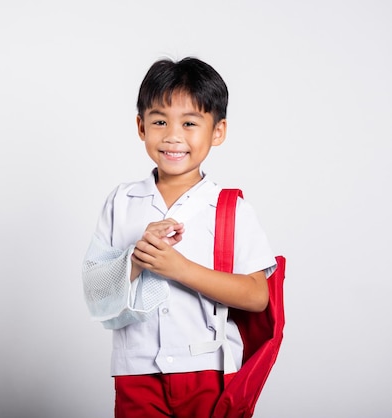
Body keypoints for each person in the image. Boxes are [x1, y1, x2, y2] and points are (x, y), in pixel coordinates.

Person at [82, 57, 277, 418]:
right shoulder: (121, 202)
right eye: (159, 121)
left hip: (209, 370)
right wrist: (136, 259)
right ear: (141, 127)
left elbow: (256, 296)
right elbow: (96, 293)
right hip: (135, 370)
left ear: (218, 131)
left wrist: (180, 268)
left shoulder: (229, 208)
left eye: (189, 123)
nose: (173, 136)